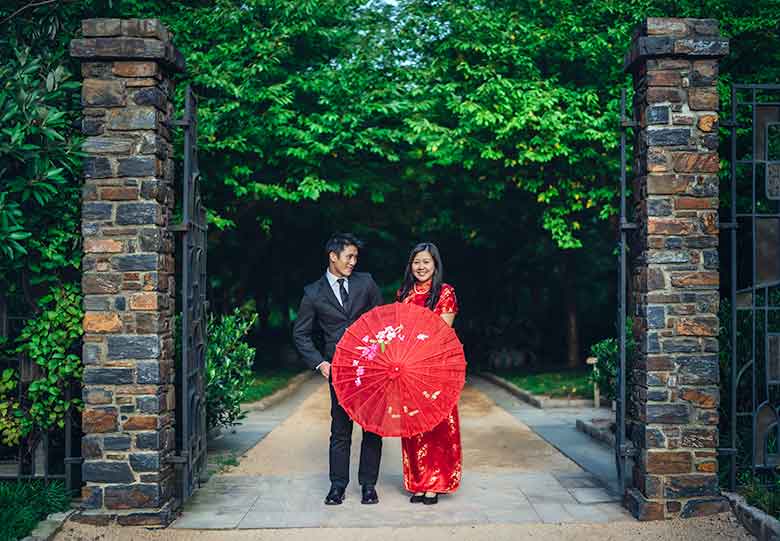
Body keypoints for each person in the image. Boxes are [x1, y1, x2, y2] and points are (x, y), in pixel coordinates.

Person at [292, 233, 384, 505]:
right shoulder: (313, 293)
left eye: (356, 257)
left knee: (372, 427)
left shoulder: (366, 283)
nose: (353, 262)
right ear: (333, 256)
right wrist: (320, 363)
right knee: (341, 428)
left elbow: (381, 320)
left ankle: (368, 485)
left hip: (371, 368)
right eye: (349, 256)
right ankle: (337, 486)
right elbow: (301, 334)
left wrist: (380, 354)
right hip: (339, 372)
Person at [396, 242, 462, 505]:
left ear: (435, 264)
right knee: (413, 425)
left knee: (436, 427)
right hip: (408, 369)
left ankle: (435, 482)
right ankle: (419, 482)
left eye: (426, 262)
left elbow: (442, 333)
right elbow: (397, 331)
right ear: (410, 266)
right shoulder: (403, 294)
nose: (421, 267)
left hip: (436, 369)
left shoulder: (445, 293)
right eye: (416, 262)